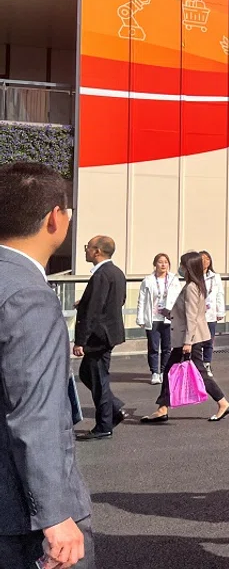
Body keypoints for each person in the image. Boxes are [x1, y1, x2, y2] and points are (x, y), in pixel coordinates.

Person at [0, 163, 95, 569]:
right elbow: (33, 412)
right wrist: (54, 514)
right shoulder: (28, 295)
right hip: (21, 514)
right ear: (55, 218)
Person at [141, 252, 229, 423]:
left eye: (182, 265)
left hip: (190, 338)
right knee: (171, 370)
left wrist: (188, 342)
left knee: (197, 372)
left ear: (188, 267)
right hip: (191, 336)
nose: (180, 268)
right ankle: (162, 408)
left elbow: (192, 317)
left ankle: (222, 403)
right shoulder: (196, 285)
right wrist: (169, 313)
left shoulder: (191, 287)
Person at [73, 235, 129, 440]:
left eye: (88, 247)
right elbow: (119, 300)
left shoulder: (101, 275)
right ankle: (114, 408)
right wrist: (84, 303)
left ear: (97, 251)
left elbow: (93, 311)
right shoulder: (116, 272)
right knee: (88, 374)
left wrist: (81, 341)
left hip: (98, 336)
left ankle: (104, 425)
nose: (86, 250)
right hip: (109, 332)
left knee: (98, 378)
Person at [136, 253, 182, 385]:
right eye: (160, 262)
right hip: (153, 318)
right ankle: (155, 372)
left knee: (167, 347)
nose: (163, 265)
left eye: (166, 262)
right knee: (153, 347)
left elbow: (179, 299)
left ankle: (164, 371)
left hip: (169, 318)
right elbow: (142, 300)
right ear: (155, 264)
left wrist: (179, 316)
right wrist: (140, 318)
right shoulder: (148, 280)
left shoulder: (174, 280)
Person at [200, 251, 225, 377]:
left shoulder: (215, 277)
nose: (205, 261)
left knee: (209, 341)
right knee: (197, 342)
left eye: (207, 259)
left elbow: (219, 294)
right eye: (202, 259)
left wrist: (220, 311)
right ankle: (197, 365)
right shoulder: (194, 276)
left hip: (211, 313)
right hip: (197, 315)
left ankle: (207, 363)